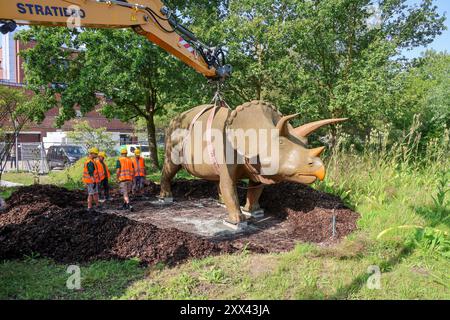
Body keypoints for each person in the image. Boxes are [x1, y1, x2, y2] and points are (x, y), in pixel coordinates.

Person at [83, 147, 100, 212]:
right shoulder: (90, 162)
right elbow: (91, 173)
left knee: (95, 193)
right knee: (90, 194)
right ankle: (89, 207)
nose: (96, 155)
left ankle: (97, 205)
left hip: (93, 181)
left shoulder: (92, 161)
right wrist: (94, 181)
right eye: (95, 154)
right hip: (91, 181)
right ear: (91, 154)